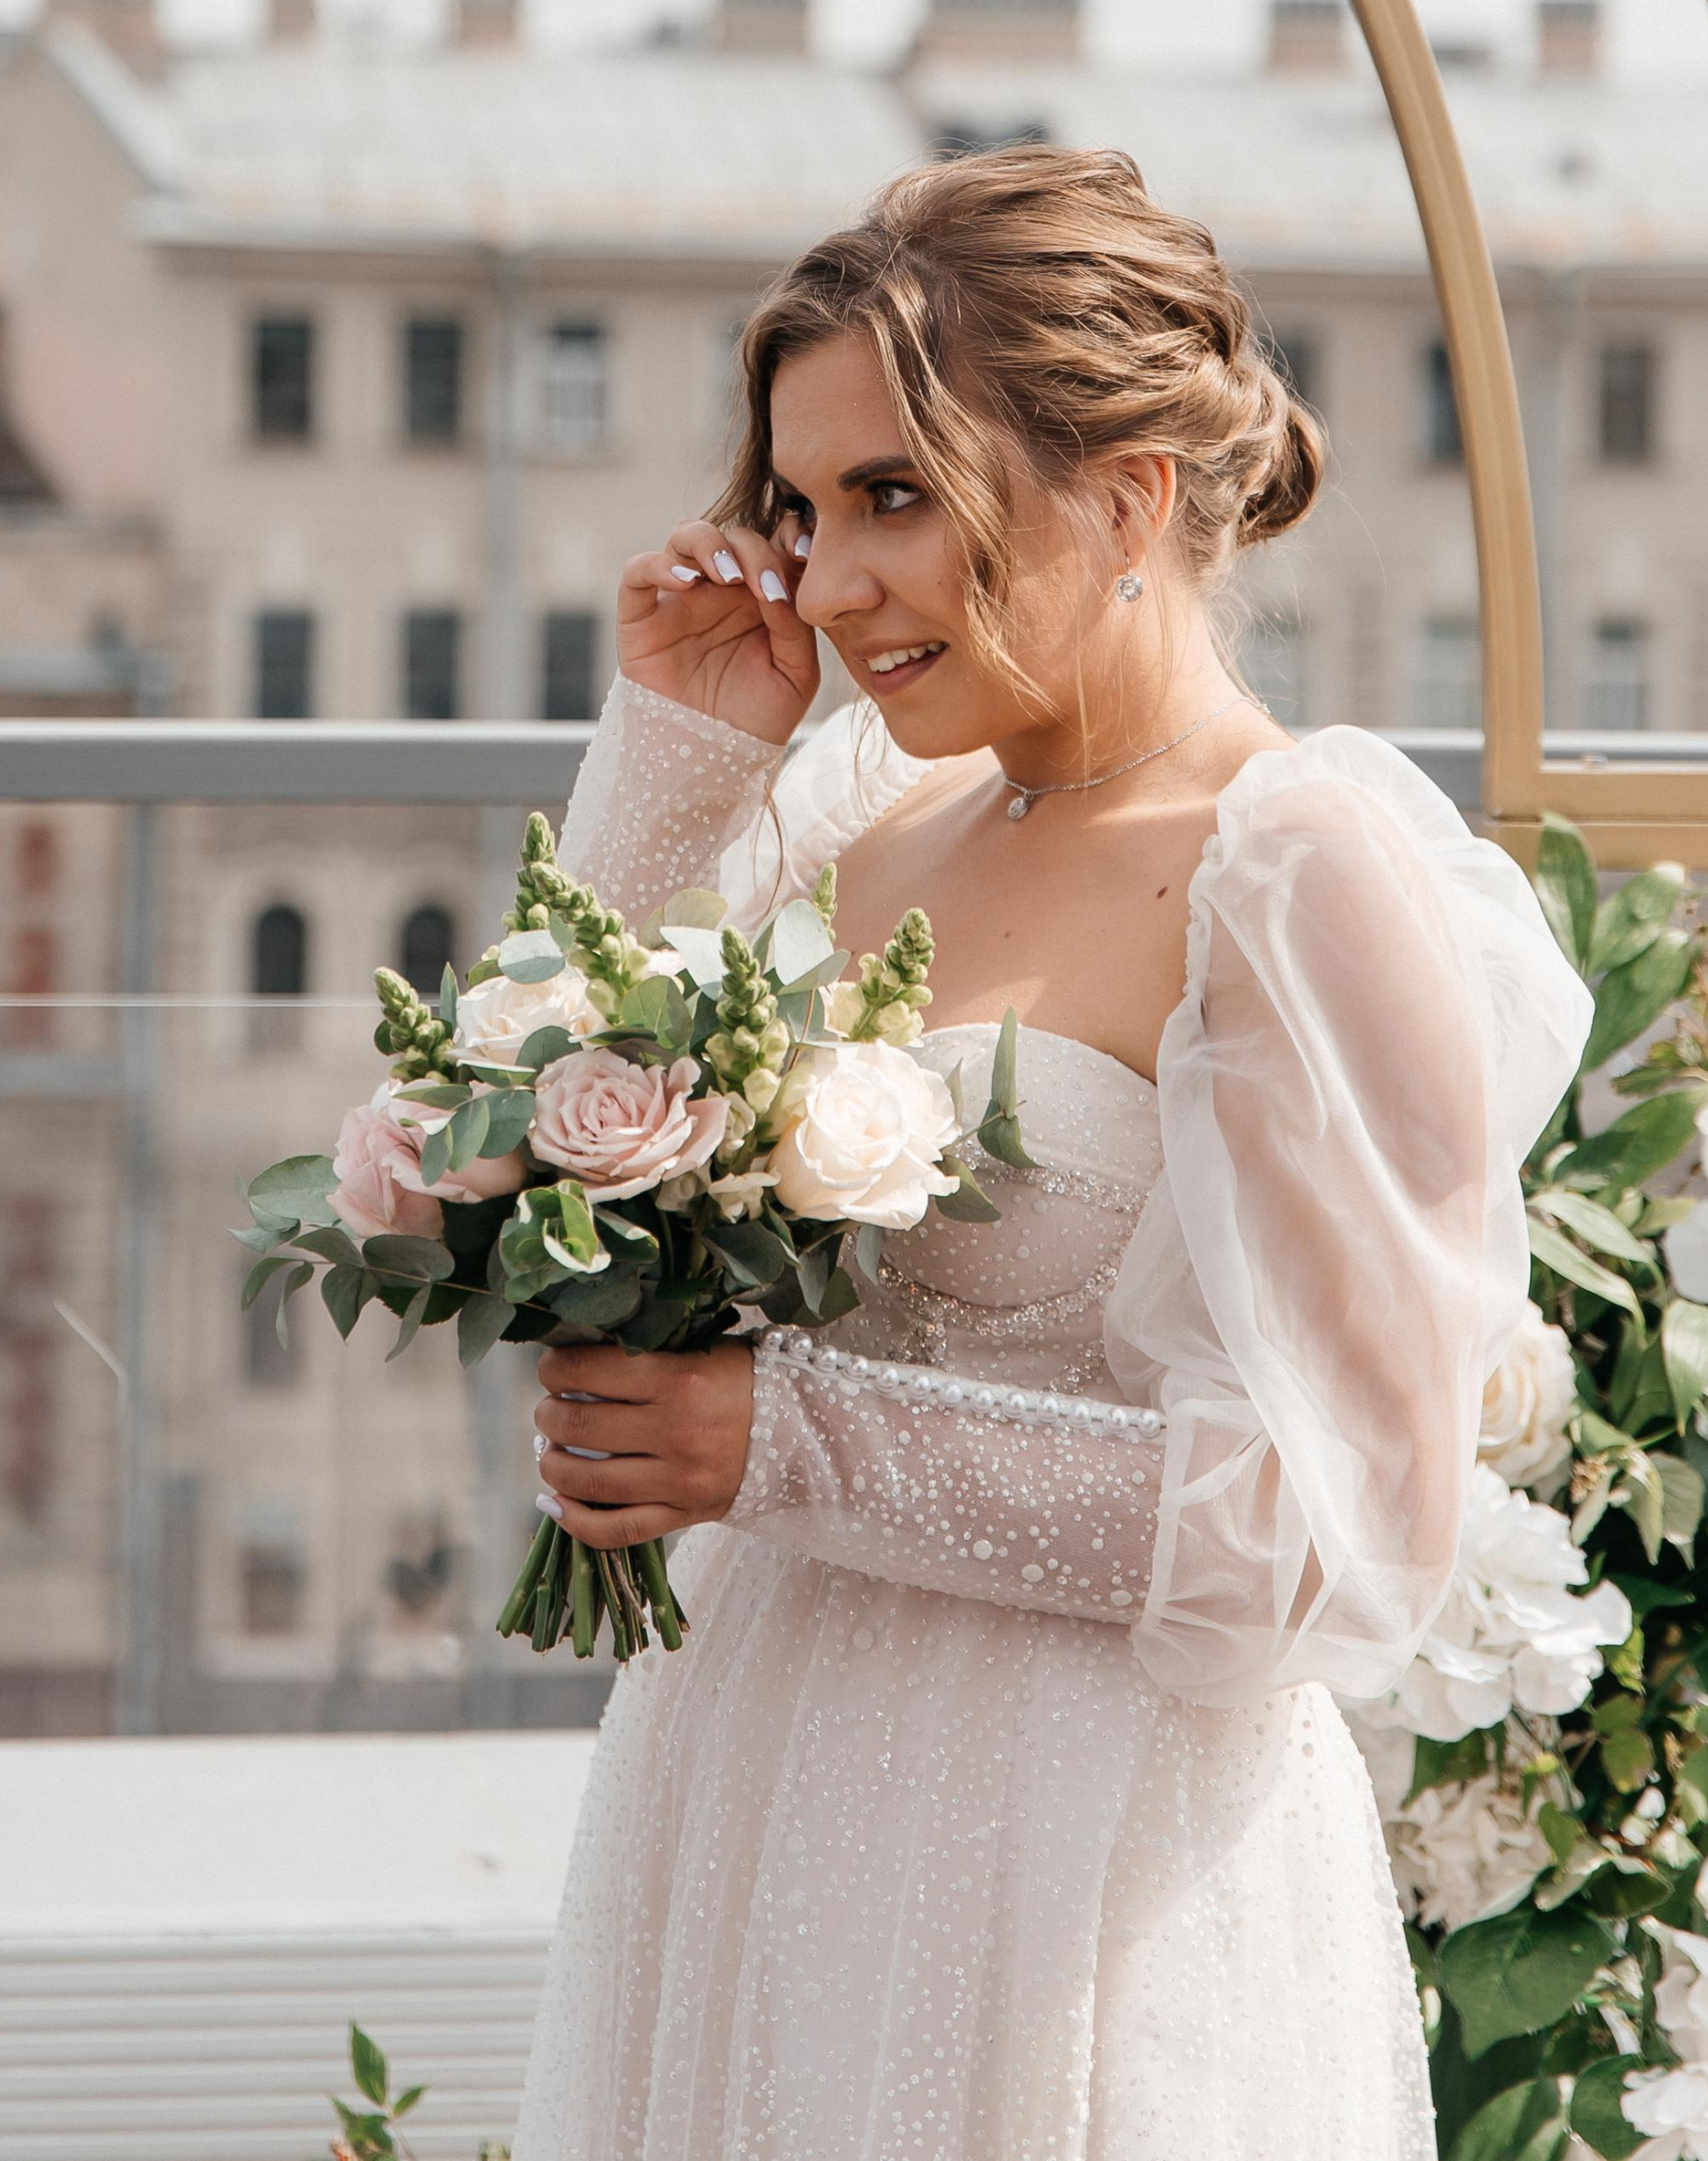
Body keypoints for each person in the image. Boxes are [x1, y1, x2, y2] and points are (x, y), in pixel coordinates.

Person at [508, 144, 1587, 2161]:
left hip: (1068, 1861)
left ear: (1124, 494)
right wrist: (675, 765)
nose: (827, 584)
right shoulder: (852, 834)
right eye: (802, 506)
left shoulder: (1297, 869)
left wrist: (783, 1446)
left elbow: (1326, 1540)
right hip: (745, 1780)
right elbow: (497, 1158)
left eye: (891, 496)